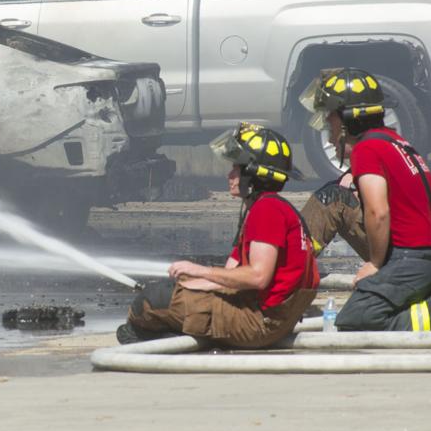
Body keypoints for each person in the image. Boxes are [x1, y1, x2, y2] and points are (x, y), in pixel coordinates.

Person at [300, 67, 431, 331]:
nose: (328, 128)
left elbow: (378, 212)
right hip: (428, 256)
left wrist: (374, 264)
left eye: (330, 118)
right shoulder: (393, 142)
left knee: (357, 319)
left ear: (348, 119)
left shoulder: (367, 149)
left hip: (412, 258)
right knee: (336, 195)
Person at [118, 123, 320, 348]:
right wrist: (196, 281)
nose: (230, 174)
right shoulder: (268, 208)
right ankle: (176, 333)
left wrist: (200, 270)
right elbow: (232, 273)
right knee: (179, 286)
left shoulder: (268, 210)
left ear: (254, 174)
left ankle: (165, 338)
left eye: (237, 168)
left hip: (258, 323)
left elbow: (258, 277)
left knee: (150, 302)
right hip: (267, 317)